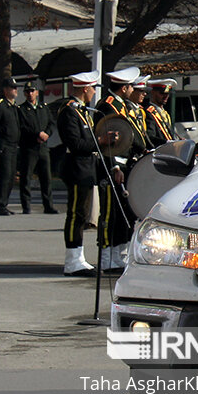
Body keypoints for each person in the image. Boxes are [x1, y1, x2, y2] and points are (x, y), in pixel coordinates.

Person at [57, 70, 118, 276]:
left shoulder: (81, 111)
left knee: (82, 215)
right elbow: (75, 143)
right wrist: (100, 141)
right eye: (92, 89)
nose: (93, 93)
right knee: (76, 215)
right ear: (85, 88)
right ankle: (72, 260)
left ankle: (78, 257)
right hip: (76, 168)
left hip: (86, 168)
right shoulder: (69, 111)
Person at [95, 67, 150, 270]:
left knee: (122, 214)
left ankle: (117, 254)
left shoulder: (121, 105)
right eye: (130, 87)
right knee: (110, 214)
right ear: (125, 87)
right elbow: (109, 142)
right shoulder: (108, 107)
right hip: (113, 167)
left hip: (125, 165)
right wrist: (115, 166)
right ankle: (106, 256)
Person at [17, 82, 58, 214]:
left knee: (46, 178)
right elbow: (21, 127)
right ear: (24, 93)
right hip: (29, 148)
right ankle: (26, 206)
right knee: (26, 178)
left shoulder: (43, 107)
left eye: (32, 91)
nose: (30, 94)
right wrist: (36, 134)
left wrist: (47, 133)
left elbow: (51, 123)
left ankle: (48, 205)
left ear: (37, 92)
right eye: (27, 91)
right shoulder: (21, 109)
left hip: (43, 147)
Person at [0, 77, 22, 215]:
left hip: (13, 146)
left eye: (15, 87)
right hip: (3, 146)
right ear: (5, 90)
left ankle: (4, 203)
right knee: (5, 175)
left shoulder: (13, 107)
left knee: (11, 175)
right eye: (12, 88)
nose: (15, 90)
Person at [143, 78, 178, 147]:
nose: (166, 97)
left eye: (167, 94)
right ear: (153, 93)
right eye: (162, 93)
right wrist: (166, 142)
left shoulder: (165, 113)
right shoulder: (148, 112)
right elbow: (150, 136)